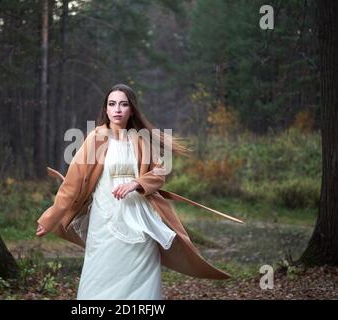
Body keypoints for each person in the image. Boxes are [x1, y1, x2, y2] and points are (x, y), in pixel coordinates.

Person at [36, 83, 231, 300]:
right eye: (112, 104)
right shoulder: (96, 138)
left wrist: (137, 183)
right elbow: (71, 184)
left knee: (141, 278)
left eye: (123, 104)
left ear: (131, 109)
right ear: (106, 109)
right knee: (99, 276)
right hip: (104, 222)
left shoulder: (140, 139)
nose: (117, 109)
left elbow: (159, 173)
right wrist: (50, 218)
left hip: (139, 221)